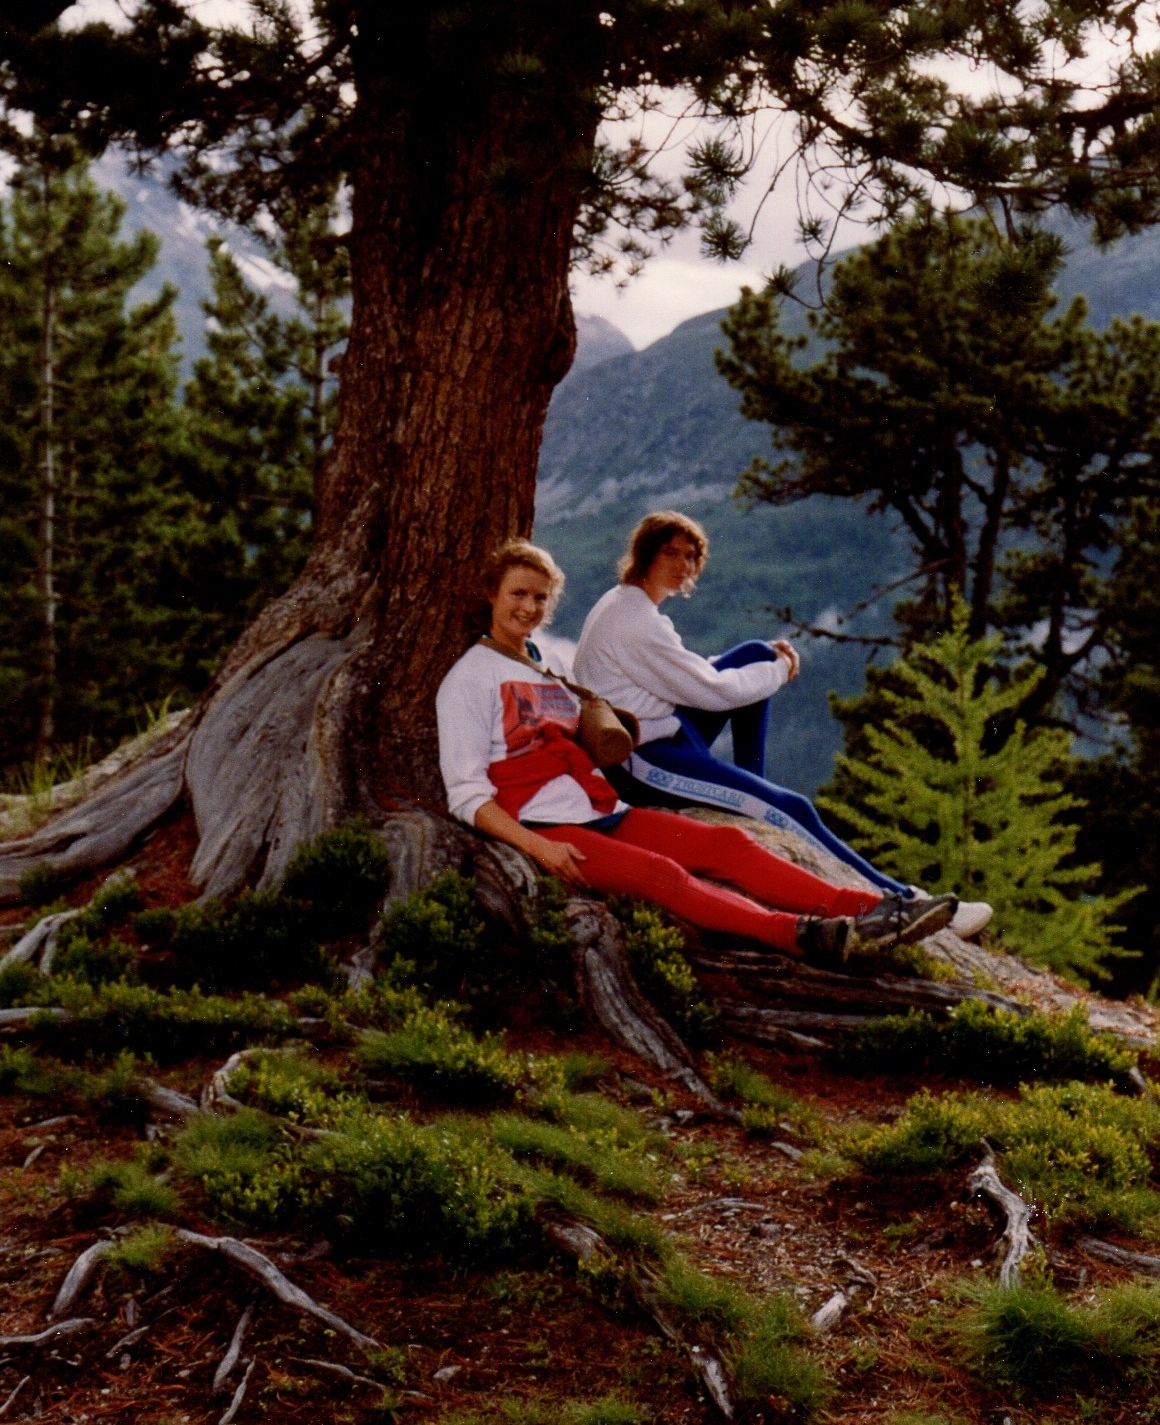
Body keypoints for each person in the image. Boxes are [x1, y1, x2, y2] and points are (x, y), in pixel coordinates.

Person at [436, 537, 958, 970]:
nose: (529, 608)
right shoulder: (469, 679)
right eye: (518, 594)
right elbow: (465, 794)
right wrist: (538, 847)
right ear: (491, 594)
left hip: (599, 810)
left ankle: (877, 910)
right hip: (551, 830)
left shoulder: (543, 663)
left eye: (541, 598)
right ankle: (801, 936)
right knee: (666, 877)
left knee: (728, 845)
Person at [572, 511, 992, 938]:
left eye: (691, 555)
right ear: (645, 555)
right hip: (641, 761)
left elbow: (685, 675)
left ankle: (750, 788)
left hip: (664, 730)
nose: (683, 566)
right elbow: (713, 692)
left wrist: (765, 665)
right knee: (794, 807)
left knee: (755, 653)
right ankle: (904, 902)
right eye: (671, 553)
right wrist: (780, 669)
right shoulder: (636, 621)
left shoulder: (630, 604)